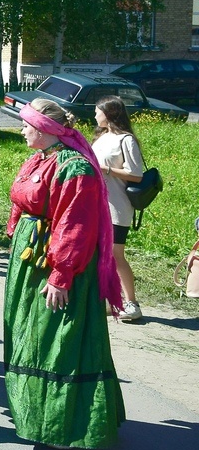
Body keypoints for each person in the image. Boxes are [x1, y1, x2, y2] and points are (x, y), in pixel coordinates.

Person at [5, 98, 125, 449]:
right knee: (28, 332)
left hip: (56, 263)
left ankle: (65, 426)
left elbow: (75, 225)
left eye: (27, 125)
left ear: (44, 130)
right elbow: (20, 200)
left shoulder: (75, 168)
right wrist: (17, 231)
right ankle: (32, 412)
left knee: (56, 336)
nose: (22, 129)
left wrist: (61, 274)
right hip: (30, 259)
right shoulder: (38, 158)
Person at [91, 95, 145, 323]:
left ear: (109, 114)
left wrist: (107, 170)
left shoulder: (126, 140)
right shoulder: (101, 137)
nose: (95, 115)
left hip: (117, 206)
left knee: (115, 254)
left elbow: (136, 174)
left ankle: (132, 303)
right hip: (96, 204)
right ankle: (107, 299)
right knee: (98, 253)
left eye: (98, 111)